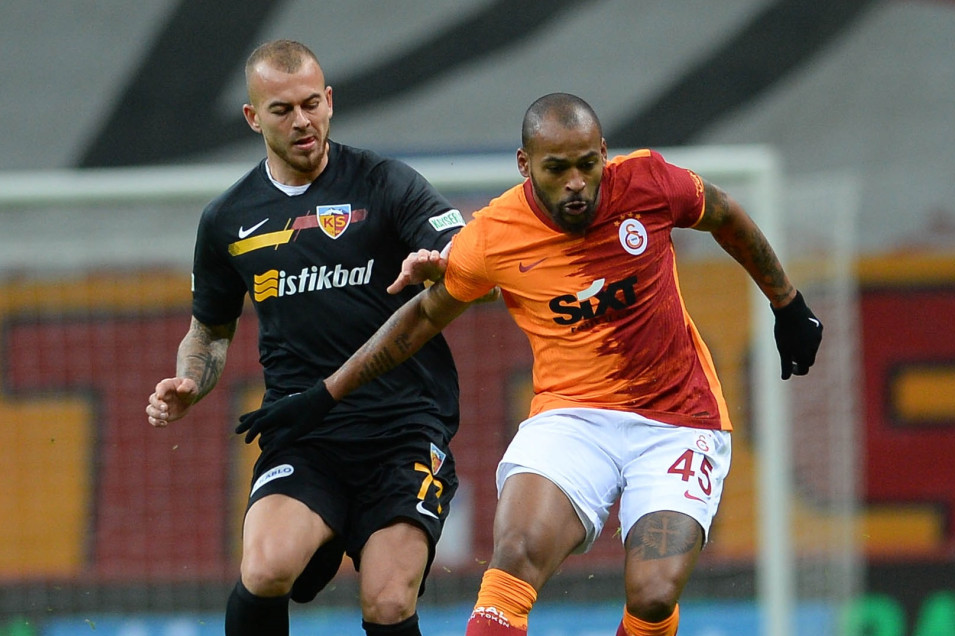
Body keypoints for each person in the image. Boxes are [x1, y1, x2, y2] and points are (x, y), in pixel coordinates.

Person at [237, 92, 824, 636]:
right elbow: (421, 318)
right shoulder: (493, 236)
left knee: (651, 594)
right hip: (572, 419)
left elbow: (724, 213)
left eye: (586, 166)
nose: (576, 184)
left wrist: (788, 304)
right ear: (525, 165)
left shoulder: (649, 183)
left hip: (677, 419)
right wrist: (326, 393)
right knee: (515, 558)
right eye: (555, 169)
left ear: (602, 154)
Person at [144, 40, 468, 636]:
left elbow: (466, 252)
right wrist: (191, 378)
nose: (302, 122)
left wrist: (443, 262)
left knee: (388, 603)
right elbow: (209, 333)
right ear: (252, 117)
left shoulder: (385, 183)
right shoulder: (227, 219)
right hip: (304, 431)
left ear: (330, 101)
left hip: (403, 430)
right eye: (282, 110)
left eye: (312, 104)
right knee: (265, 571)